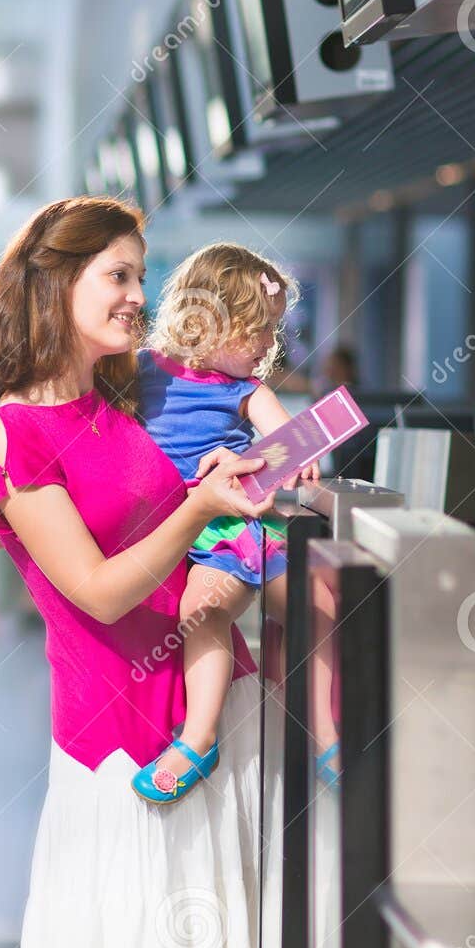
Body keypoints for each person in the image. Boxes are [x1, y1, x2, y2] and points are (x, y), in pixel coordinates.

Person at [0, 197, 272, 948]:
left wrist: (225, 488)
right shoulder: (12, 432)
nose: (139, 293)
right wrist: (199, 506)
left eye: (141, 274)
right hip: (116, 744)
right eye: (118, 274)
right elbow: (98, 591)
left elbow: (180, 544)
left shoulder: (121, 403)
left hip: (210, 722)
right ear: (55, 282)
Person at [131, 243, 315, 803]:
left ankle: (209, 738)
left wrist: (257, 462)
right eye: (259, 331)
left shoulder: (248, 391)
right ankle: (205, 735)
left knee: (218, 611)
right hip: (169, 529)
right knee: (198, 613)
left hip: (226, 531)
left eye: (273, 332)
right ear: (211, 322)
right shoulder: (139, 372)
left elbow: (300, 447)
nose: (269, 346)